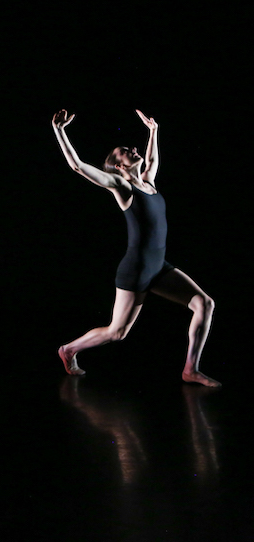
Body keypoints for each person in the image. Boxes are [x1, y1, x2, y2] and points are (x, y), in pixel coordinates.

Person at [51, 109, 219, 387]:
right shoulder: (122, 187)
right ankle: (68, 350)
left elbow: (152, 159)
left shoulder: (149, 182)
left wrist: (153, 132)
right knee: (117, 333)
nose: (132, 149)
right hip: (136, 271)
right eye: (124, 151)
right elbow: (78, 166)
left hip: (159, 267)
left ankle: (191, 369)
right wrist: (59, 130)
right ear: (118, 167)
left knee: (205, 303)